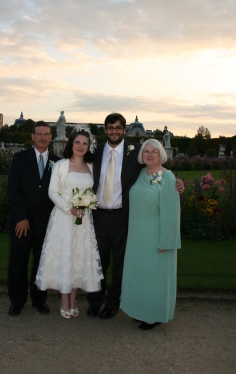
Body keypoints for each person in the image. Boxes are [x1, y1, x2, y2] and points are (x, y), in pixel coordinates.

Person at [87, 113, 184, 319]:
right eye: (110, 127)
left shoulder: (137, 151)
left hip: (124, 217)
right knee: (97, 262)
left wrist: (177, 182)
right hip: (99, 216)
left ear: (124, 129)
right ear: (105, 130)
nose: (114, 131)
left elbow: (157, 165)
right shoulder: (96, 151)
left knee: (122, 263)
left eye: (118, 127)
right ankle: (95, 302)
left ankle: (113, 304)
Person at [35, 127, 103, 319]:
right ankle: (64, 299)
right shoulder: (61, 165)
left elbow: (94, 191)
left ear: (88, 146)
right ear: (71, 144)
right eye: (77, 142)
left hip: (83, 221)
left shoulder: (90, 167)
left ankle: (73, 298)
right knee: (65, 256)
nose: (81, 146)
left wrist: (87, 206)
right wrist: (69, 208)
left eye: (85, 143)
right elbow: (52, 192)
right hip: (64, 220)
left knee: (78, 259)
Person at [120, 139, 181, 330]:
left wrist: (166, 240)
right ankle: (139, 310)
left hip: (156, 236)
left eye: (154, 151)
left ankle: (153, 315)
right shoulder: (139, 174)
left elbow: (172, 212)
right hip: (137, 235)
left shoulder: (168, 177)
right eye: (146, 151)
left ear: (161, 154)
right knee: (139, 275)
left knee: (154, 278)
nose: (150, 154)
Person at [7, 121, 60, 316]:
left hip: (46, 222)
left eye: (46, 134)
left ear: (51, 137)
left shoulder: (58, 161)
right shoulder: (20, 159)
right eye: (39, 134)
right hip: (21, 222)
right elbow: (13, 191)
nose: (43, 137)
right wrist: (20, 217)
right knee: (18, 264)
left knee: (41, 263)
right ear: (32, 136)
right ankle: (17, 301)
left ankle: (39, 300)